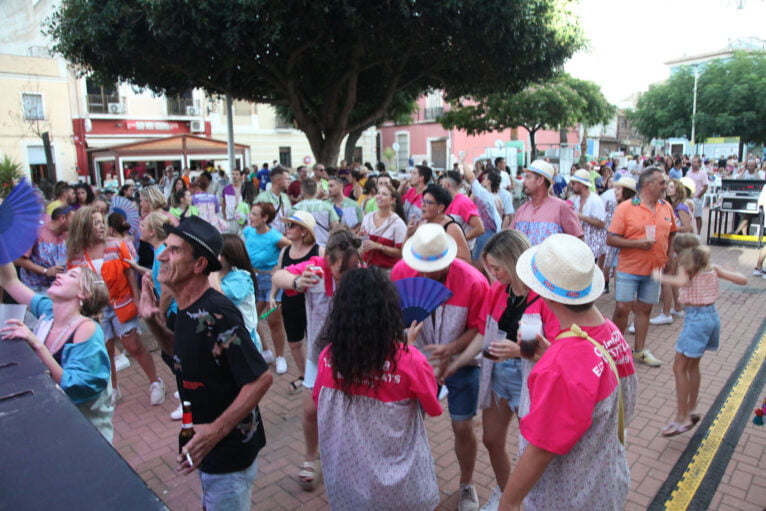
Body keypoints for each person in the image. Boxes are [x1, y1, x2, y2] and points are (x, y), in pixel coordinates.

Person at [138, 216, 273, 510]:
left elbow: (261, 379)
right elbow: (180, 351)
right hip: (208, 447)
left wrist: (214, 431)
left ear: (199, 265)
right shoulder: (186, 306)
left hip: (229, 454)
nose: (161, 256)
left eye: (174, 250)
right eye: (165, 248)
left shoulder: (216, 311)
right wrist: (152, 323)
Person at [499, 234, 632, 510]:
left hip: (570, 497)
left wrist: (508, 504)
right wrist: (550, 356)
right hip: (606, 481)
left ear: (546, 293)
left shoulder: (561, 364)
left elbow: (539, 450)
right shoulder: (611, 333)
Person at [313, 267, 442, 510]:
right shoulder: (409, 360)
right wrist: (409, 348)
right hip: (400, 489)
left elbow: (317, 401)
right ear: (389, 310)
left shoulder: (327, 358)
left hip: (347, 483)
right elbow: (433, 407)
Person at [441, 230, 552, 511]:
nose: (492, 274)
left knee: (531, 452)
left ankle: (523, 501)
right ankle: (507, 495)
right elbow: (483, 333)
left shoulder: (545, 296)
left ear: (514, 261)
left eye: (496, 268)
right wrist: (456, 362)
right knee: (492, 439)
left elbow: (558, 352)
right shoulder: (498, 290)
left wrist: (520, 351)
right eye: (489, 268)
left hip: (531, 379)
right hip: (499, 374)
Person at [391, 224, 489, 511]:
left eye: (429, 269)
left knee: (462, 426)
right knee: (406, 423)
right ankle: (404, 480)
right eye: (417, 266)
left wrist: (452, 349)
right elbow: (395, 320)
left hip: (464, 363)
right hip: (416, 361)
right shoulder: (401, 273)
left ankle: (467, 484)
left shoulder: (473, 281)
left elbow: (478, 328)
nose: (422, 274)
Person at [272, 228, 362, 491]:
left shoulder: (361, 271)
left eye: (352, 268)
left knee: (352, 408)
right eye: (341, 270)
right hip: (319, 355)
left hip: (354, 353)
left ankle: (350, 458)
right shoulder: (316, 269)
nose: (347, 276)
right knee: (311, 409)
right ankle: (311, 457)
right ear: (329, 260)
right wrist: (297, 283)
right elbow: (280, 275)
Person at [0, 262, 112, 440]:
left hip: (85, 434)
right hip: (55, 423)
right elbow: (10, 281)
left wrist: (36, 344)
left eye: (72, 276)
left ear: (84, 293)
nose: (60, 275)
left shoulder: (87, 329)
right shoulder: (48, 312)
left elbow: (77, 388)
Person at [67, 206, 163, 406]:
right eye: (96, 223)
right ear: (85, 226)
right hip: (96, 311)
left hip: (121, 303)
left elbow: (130, 273)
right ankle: (114, 388)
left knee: (134, 346)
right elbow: (73, 281)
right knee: (105, 350)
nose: (102, 227)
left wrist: (137, 299)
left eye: (102, 222)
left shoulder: (116, 245)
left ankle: (156, 382)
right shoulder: (76, 254)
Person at [652, 234, 746, 436]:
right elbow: (743, 280)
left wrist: (660, 277)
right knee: (692, 366)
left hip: (696, 319)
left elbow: (680, 280)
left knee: (678, 368)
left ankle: (682, 417)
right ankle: (691, 409)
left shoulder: (688, 268)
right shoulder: (711, 266)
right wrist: (731, 271)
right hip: (712, 317)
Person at [608, 167, 677, 367]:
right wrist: (637, 244)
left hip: (654, 268)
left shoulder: (666, 207)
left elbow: (673, 232)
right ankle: (614, 351)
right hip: (629, 268)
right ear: (649, 185)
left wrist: (670, 254)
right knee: (622, 308)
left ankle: (639, 350)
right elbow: (611, 239)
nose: (665, 186)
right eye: (662, 183)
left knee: (645, 309)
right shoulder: (626, 208)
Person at [270, 211, 322, 392]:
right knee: (294, 343)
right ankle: (303, 374)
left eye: (292, 225)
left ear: (304, 231)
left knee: (315, 341)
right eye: (287, 225)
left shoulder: (318, 251)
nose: (287, 229)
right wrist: (272, 295)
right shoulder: (285, 251)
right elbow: (278, 273)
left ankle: (319, 377)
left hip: (313, 305)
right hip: (290, 303)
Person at [243, 202, 291, 373]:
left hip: (272, 284)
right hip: (253, 281)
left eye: (255, 214)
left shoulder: (275, 237)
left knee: (273, 321)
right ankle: (265, 351)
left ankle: (280, 357)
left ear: (265, 218)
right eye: (251, 213)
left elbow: (290, 246)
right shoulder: (248, 232)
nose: (250, 216)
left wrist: (280, 265)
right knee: (251, 319)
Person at [510, 160, 583, 246]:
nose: (524, 181)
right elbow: (510, 241)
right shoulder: (521, 211)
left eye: (528, 177)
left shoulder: (562, 208)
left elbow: (578, 242)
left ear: (540, 180)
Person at [219, 234, 263, 353]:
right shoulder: (219, 276)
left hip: (244, 344)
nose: (216, 256)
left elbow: (217, 299)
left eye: (219, 253)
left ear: (230, 255)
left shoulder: (241, 278)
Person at [408, 183, 471, 263]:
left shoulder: (452, 228)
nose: (423, 205)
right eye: (422, 200)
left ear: (440, 207)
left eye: (428, 202)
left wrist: (438, 260)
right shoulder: (424, 223)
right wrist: (408, 234)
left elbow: (466, 260)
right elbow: (408, 252)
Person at [16, 205, 72, 294]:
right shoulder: (35, 232)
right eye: (73, 219)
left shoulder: (67, 235)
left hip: (57, 287)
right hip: (34, 288)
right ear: (63, 218)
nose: (76, 222)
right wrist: (45, 271)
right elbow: (18, 259)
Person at [360, 183, 407, 270]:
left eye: (384, 194)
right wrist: (363, 239)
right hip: (367, 268)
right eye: (378, 193)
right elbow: (364, 242)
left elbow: (402, 252)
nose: (379, 196)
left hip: (387, 272)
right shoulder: (368, 217)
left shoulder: (398, 224)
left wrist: (379, 247)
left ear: (393, 200)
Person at [569, 169, 607, 264]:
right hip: (580, 245)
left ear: (581, 185)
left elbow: (602, 224)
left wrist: (582, 217)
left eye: (574, 183)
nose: (571, 186)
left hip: (592, 246)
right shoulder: (576, 199)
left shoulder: (595, 200)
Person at [439, 171, 485, 247]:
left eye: (441, 185)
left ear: (447, 185)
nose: (440, 188)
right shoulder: (450, 201)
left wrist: (459, 239)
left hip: (461, 252)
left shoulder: (464, 202)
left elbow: (480, 228)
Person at [293, 178, 339, 246]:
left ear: (302, 192)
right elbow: (336, 227)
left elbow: (292, 230)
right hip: (324, 246)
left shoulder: (295, 208)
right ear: (316, 191)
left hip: (303, 247)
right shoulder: (327, 206)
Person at [255, 167, 292, 234]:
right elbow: (255, 221)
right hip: (268, 239)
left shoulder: (285, 197)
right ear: (278, 181)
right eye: (287, 179)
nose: (289, 181)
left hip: (284, 239)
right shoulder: (262, 199)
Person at [686, 156, 708, 233]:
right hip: (688, 197)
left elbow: (705, 186)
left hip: (697, 197)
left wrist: (699, 195)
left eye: (695, 162)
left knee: (698, 216)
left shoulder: (703, 173)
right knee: (687, 216)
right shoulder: (688, 173)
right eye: (692, 162)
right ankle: (689, 232)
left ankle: (698, 233)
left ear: (699, 163)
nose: (693, 164)